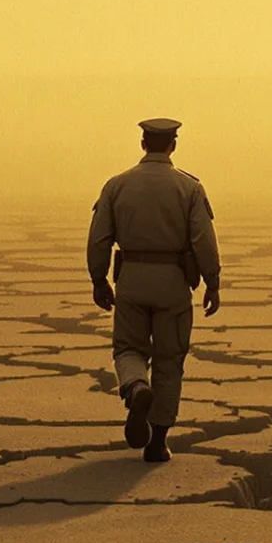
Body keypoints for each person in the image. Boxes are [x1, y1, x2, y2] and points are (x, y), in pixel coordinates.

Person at [86, 117, 221, 463]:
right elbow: (203, 240)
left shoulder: (117, 185)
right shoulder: (189, 188)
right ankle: (157, 441)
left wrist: (98, 279)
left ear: (143, 144)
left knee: (128, 348)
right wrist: (212, 281)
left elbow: (99, 238)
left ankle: (135, 387)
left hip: (131, 278)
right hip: (173, 282)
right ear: (172, 145)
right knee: (169, 360)